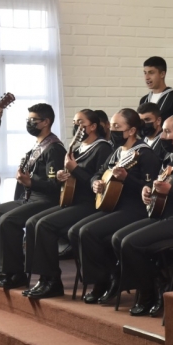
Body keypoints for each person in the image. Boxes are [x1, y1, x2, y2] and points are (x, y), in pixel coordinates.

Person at [112, 114, 173, 317]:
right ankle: (160, 285)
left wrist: (171, 191)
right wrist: (148, 190)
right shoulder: (172, 155)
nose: (163, 136)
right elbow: (159, 183)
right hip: (167, 214)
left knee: (131, 243)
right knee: (118, 238)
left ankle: (151, 291)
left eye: (168, 132)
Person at [70, 109, 161, 304]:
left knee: (88, 232)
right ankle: (108, 275)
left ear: (132, 131)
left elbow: (151, 188)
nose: (113, 130)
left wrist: (128, 179)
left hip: (134, 209)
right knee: (75, 231)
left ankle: (106, 280)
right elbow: (100, 172)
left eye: (118, 127)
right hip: (112, 205)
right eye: (112, 126)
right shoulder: (117, 151)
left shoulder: (145, 154)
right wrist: (96, 182)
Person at [21, 110, 113, 299]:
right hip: (73, 201)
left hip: (90, 203)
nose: (76, 126)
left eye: (81, 123)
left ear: (93, 126)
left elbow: (98, 182)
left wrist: (75, 170)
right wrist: (63, 177)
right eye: (74, 122)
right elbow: (72, 179)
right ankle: (43, 277)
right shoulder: (78, 149)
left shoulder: (102, 148)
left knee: (45, 225)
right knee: (32, 222)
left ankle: (54, 280)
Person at [0, 103, 67, 290]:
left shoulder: (54, 149)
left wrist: (31, 183)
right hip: (28, 198)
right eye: (28, 120)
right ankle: (0, 267)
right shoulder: (37, 145)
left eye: (33, 120)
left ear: (46, 122)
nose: (29, 123)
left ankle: (16, 273)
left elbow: (55, 186)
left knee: (8, 220)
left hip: (45, 200)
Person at [139, 56, 173, 121]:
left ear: (162, 74)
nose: (147, 77)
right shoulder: (144, 100)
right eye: (145, 73)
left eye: (151, 73)